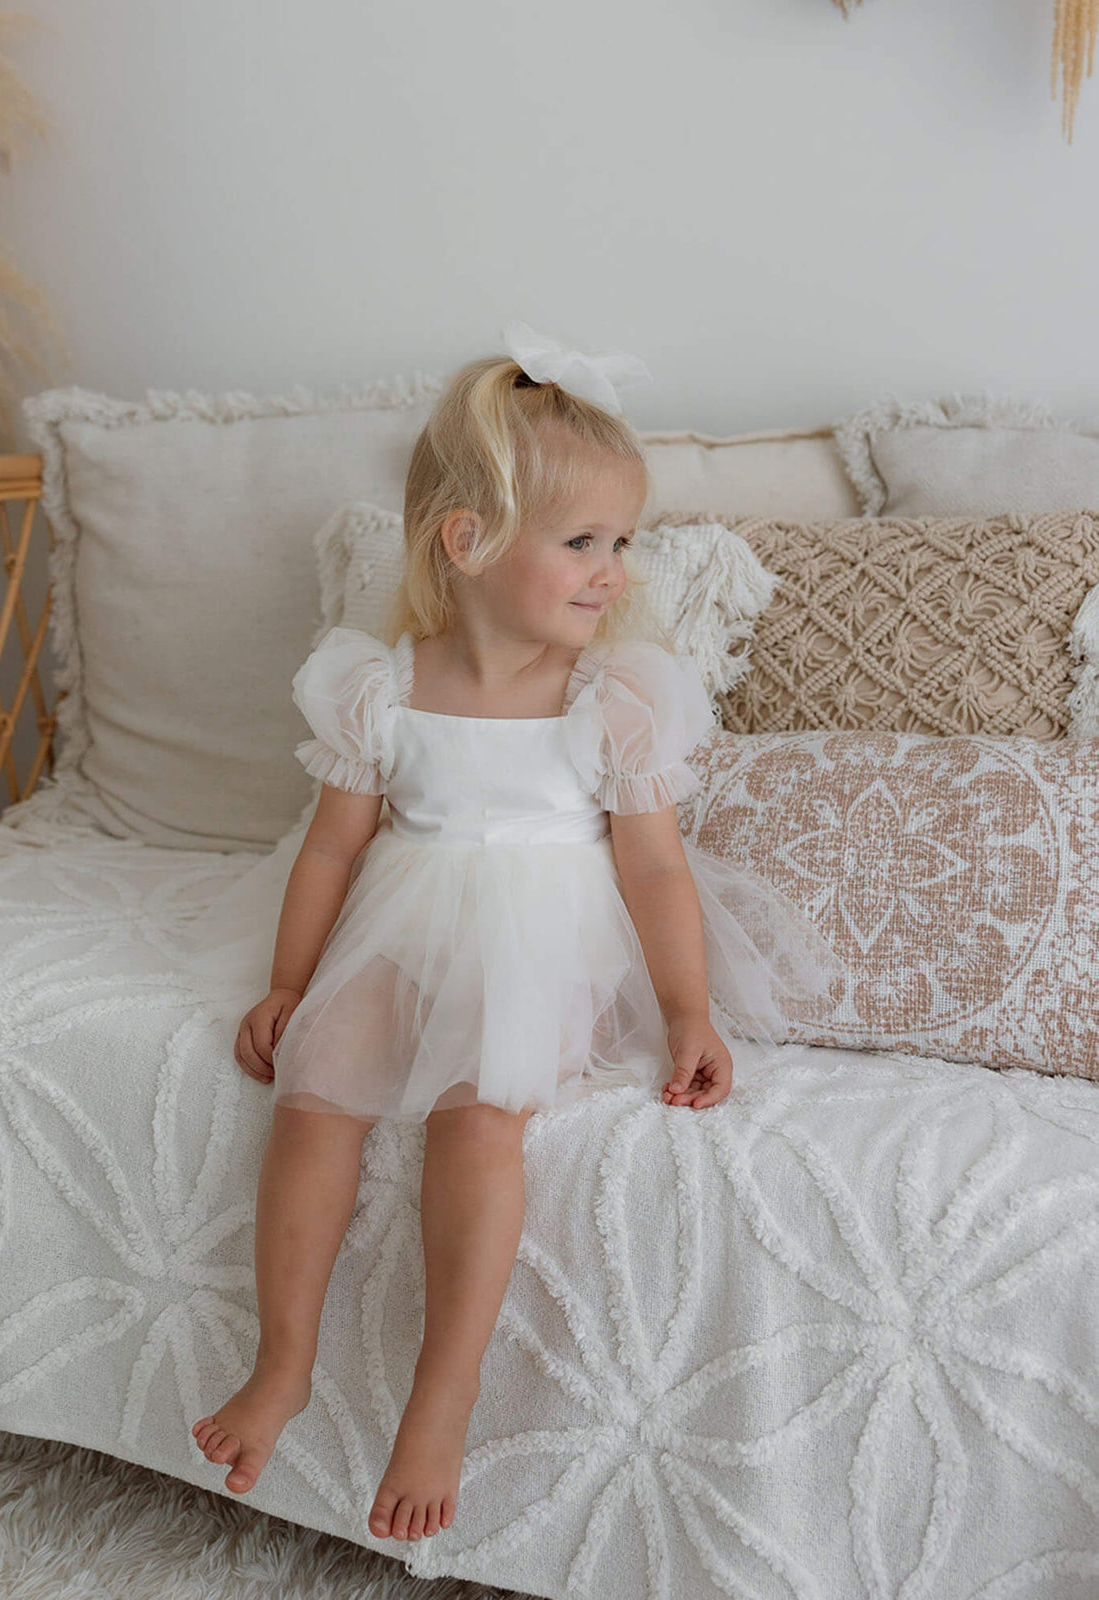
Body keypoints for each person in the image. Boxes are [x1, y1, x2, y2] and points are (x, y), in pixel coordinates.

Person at [187, 322, 849, 1542]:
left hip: (551, 937)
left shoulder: (608, 698)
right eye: (584, 542)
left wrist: (690, 1008)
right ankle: (284, 1361)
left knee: (478, 1112)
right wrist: (291, 985)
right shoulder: (385, 686)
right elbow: (336, 847)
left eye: (623, 542)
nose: (616, 571)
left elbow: (650, 872)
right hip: (410, 913)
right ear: (470, 540)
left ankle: (443, 1395)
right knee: (317, 1091)